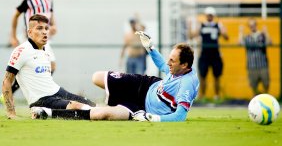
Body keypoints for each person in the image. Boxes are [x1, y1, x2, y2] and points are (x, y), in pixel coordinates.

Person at [31, 31, 200, 122]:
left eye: (173, 60)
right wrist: (151, 48)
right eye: (170, 58)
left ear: (184, 65)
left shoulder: (187, 84)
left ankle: (48, 113)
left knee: (100, 116)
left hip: (143, 109)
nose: (168, 63)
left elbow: (180, 116)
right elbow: (163, 66)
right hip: (144, 85)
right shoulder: (175, 69)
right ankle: (90, 105)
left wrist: (152, 118)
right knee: (96, 77)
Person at [2, 14, 95, 119]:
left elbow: (50, 71)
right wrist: (11, 113)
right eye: (39, 28)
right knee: (80, 107)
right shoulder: (21, 51)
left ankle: (43, 113)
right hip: (41, 99)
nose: (44, 32)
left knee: (91, 105)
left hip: (57, 91)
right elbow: (7, 81)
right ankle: (40, 111)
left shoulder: (46, 49)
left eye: (46, 28)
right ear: (30, 32)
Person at [5, 0, 57, 99]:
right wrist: (13, 36)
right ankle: (40, 94)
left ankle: (15, 91)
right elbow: (15, 15)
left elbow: (50, 14)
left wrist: (54, 26)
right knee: (48, 65)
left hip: (44, 39)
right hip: (31, 38)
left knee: (49, 66)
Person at [188, 7, 229, 101]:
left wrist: (223, 31)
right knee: (202, 76)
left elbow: (226, 37)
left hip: (215, 54)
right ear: (206, 15)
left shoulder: (218, 25)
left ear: (213, 16)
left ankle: (216, 96)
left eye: (211, 15)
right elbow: (191, 36)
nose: (209, 16)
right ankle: (202, 96)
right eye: (208, 15)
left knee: (217, 77)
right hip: (204, 54)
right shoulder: (201, 26)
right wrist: (190, 26)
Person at [239, 18, 272, 96]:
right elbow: (240, 43)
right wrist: (240, 32)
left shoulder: (262, 35)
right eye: (250, 25)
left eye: (253, 25)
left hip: (263, 65)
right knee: (253, 85)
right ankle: (257, 98)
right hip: (252, 65)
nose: (252, 27)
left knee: (266, 83)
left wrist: (266, 32)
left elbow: (269, 42)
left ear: (256, 25)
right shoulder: (247, 37)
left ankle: (264, 97)